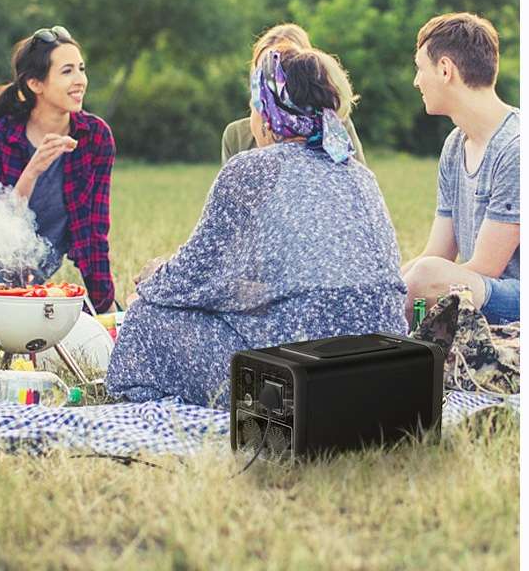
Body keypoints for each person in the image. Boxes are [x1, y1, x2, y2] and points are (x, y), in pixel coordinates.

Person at [106, 43, 407, 408]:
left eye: (253, 106)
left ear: (268, 115)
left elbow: (191, 276)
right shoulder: (359, 174)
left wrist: (155, 276)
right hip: (382, 367)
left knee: (145, 316)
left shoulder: (253, 168)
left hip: (295, 378)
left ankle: (159, 406)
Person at [0, 26, 117, 312]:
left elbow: (92, 232)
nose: (80, 80)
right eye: (67, 71)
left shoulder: (94, 137)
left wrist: (104, 302)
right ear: (36, 84)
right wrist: (32, 172)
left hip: (24, 279)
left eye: (81, 69)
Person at [402, 13, 519, 325]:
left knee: (426, 276)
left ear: (445, 69)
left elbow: (486, 268)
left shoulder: (515, 148)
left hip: (515, 294)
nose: (416, 81)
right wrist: (382, 286)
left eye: (420, 68)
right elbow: (437, 253)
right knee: (417, 273)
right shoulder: (455, 145)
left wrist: (406, 287)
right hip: (480, 288)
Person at [221, 23, 367, 167]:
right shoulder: (237, 135)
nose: (273, 81)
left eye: (283, 68)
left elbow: (356, 175)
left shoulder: (335, 126)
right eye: (265, 69)